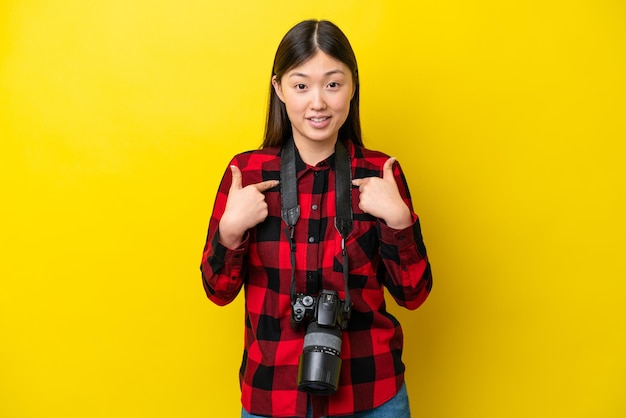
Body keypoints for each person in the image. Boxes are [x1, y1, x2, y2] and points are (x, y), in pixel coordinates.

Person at [201, 19, 432, 418]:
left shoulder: (380, 175)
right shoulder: (248, 175)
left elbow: (413, 296)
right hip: (273, 394)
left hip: (371, 393)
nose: (318, 103)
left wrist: (400, 223)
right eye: (301, 85)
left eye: (333, 84)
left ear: (352, 86)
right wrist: (230, 231)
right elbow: (217, 291)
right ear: (279, 89)